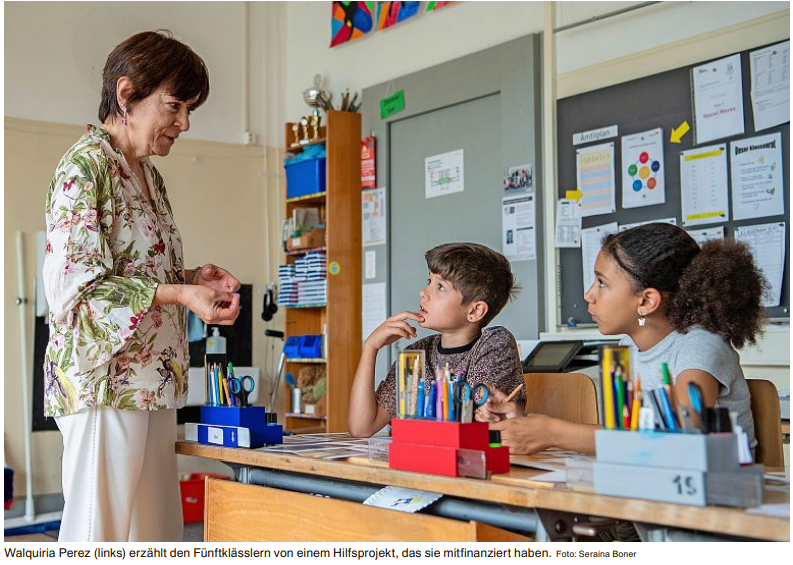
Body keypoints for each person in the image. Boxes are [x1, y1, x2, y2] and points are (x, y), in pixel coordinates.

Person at [43, 31, 241, 542]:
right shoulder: (84, 168)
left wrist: (191, 279)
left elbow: (140, 273)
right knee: (97, 535)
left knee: (156, 536)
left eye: (190, 109)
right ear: (127, 94)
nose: (184, 123)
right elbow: (77, 292)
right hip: (104, 383)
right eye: (174, 106)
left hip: (154, 381)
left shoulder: (149, 175)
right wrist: (178, 294)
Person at [480, 223, 765, 455]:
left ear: (646, 301)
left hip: (712, 511)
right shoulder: (628, 348)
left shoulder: (700, 346)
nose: (588, 295)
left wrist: (553, 433)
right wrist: (521, 428)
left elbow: (679, 439)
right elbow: (625, 437)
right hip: (647, 494)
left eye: (602, 283)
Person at [348, 242, 525, 437]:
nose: (424, 292)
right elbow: (361, 428)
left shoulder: (494, 344)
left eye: (440, 286)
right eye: (429, 281)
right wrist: (370, 348)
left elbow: (476, 427)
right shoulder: (417, 355)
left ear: (475, 311)